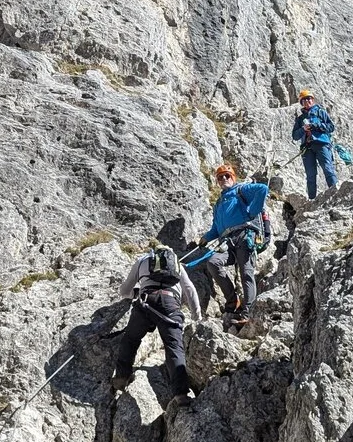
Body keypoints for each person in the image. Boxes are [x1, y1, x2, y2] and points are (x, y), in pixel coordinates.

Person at [112, 245, 203, 407]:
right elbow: (190, 290)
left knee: (131, 339)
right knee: (174, 347)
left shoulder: (142, 261)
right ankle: (181, 394)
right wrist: (197, 317)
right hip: (170, 304)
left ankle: (121, 376)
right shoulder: (176, 265)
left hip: (146, 301)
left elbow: (124, 291)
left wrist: (137, 292)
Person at [199, 164, 271, 327]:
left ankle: (248, 311)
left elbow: (262, 189)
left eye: (227, 176)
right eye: (220, 177)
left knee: (246, 272)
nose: (224, 179)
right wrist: (206, 237)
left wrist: (253, 211)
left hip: (244, 236)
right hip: (227, 241)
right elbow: (217, 229)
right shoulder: (218, 204)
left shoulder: (240, 190)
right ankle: (233, 301)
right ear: (217, 181)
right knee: (213, 263)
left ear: (233, 178)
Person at [291, 89, 337, 199]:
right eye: (304, 99)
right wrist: (303, 128)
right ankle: (312, 199)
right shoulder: (300, 118)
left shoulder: (321, 112)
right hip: (307, 147)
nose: (307, 101)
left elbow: (331, 127)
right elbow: (295, 136)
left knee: (328, 169)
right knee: (310, 175)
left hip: (322, 144)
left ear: (313, 100)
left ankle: (336, 194)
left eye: (309, 98)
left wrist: (315, 125)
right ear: (301, 103)